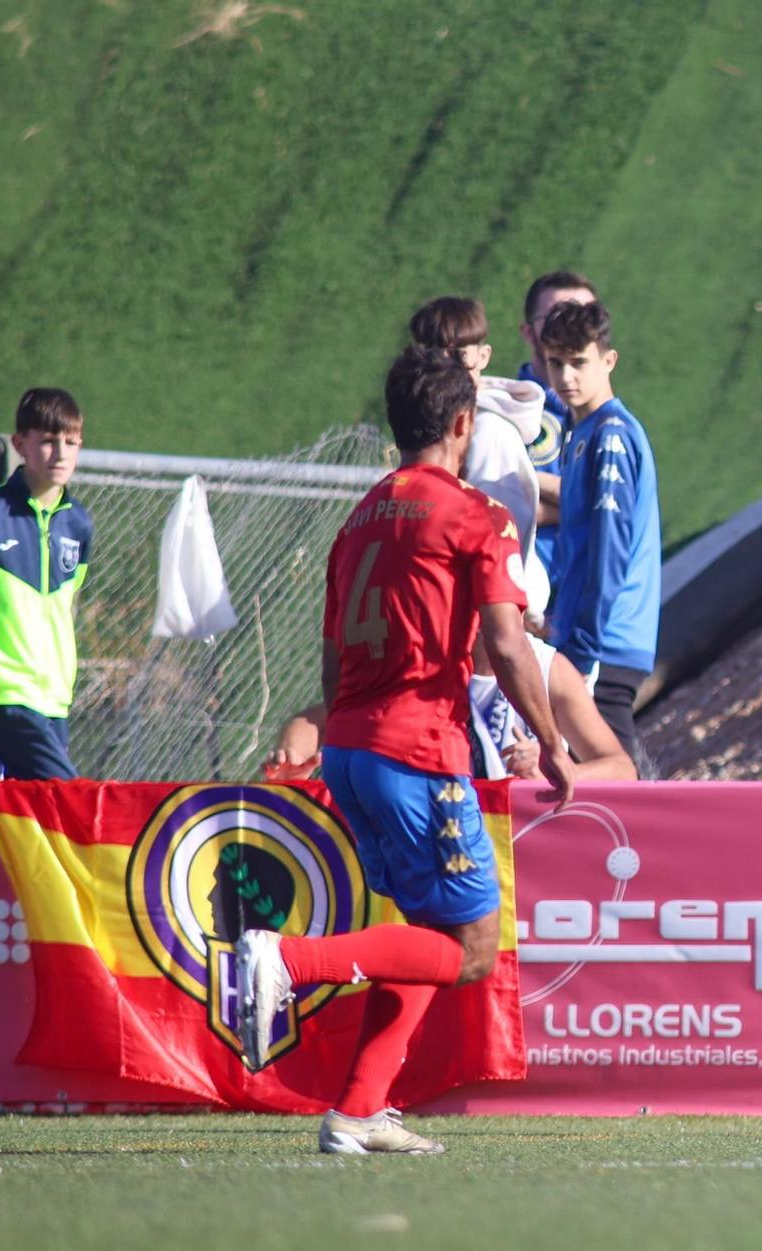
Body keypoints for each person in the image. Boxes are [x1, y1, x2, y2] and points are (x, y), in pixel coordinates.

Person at [237, 346, 574, 1155]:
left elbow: (327, 663)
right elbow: (506, 641)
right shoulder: (472, 514)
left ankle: (356, 1109)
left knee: (429, 934)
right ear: (464, 425)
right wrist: (553, 743)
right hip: (418, 750)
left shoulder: (358, 520)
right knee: (470, 950)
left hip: (352, 744)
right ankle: (283, 957)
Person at [0, 388, 93, 780]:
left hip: (53, 696)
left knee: (18, 818)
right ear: (20, 444)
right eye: (47, 441)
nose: (60, 453)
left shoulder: (79, 524)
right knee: (66, 793)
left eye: (71, 443)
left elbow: (63, 605)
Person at [535, 299, 662, 776]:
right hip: (589, 635)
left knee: (617, 781)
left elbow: (610, 548)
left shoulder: (610, 433)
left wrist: (582, 643)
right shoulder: (582, 432)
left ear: (608, 361)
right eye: (556, 362)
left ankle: (671, 852)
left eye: (579, 362)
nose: (567, 376)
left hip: (606, 641)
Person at [261, 631, 638, 783]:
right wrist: (293, 754)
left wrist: (560, 772)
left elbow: (622, 769)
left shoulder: (547, 669)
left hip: (526, 844)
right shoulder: (421, 659)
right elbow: (319, 718)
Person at [409, 295, 552, 623]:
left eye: (459, 356)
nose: (447, 372)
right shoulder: (446, 429)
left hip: (497, 623)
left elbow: (502, 542)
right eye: (434, 358)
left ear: (483, 356)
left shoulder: (487, 432)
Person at [515, 271, 600, 573]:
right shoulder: (508, 412)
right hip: (532, 597)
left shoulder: (609, 419)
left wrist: (535, 487)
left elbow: (617, 502)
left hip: (592, 590)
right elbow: (505, 507)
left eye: (583, 316)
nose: (570, 329)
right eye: (555, 317)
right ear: (528, 332)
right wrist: (590, 501)